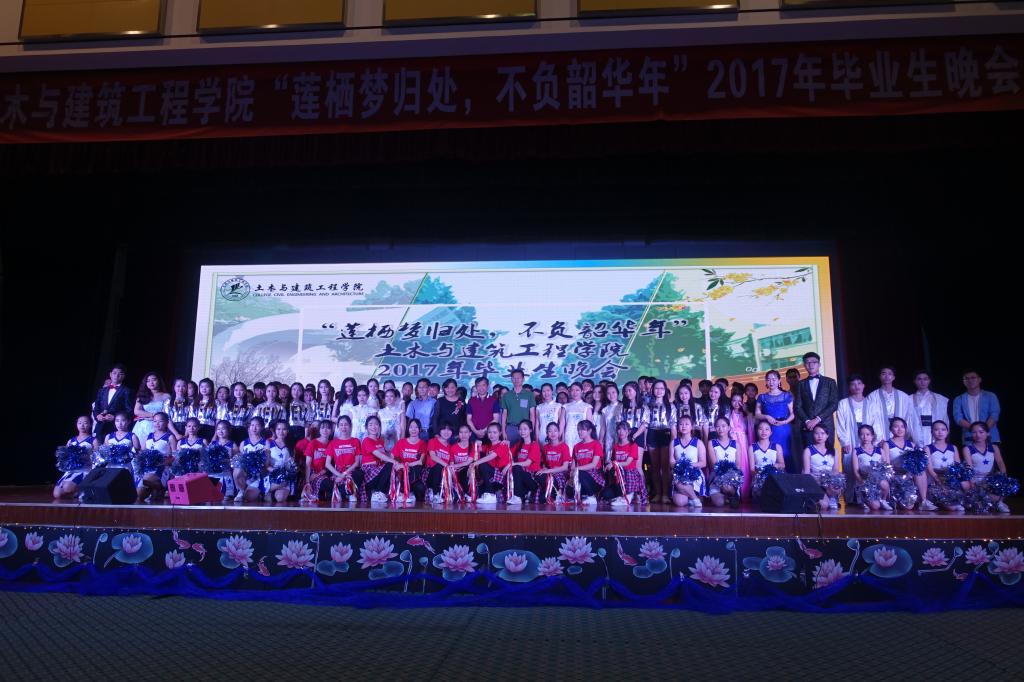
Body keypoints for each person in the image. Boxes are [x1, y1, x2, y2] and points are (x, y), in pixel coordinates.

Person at [835, 374, 880, 503]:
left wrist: (875, 441)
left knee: (867, 467)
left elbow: (876, 423)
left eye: (859, 383)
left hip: (868, 441)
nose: (856, 386)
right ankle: (850, 498)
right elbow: (840, 424)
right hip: (850, 439)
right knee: (849, 468)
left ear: (864, 386)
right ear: (849, 387)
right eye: (853, 384)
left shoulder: (871, 404)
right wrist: (844, 441)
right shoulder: (843, 403)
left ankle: (870, 497)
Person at [794, 352, 839, 454]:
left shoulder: (830, 382)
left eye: (814, 362)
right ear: (804, 365)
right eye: (807, 362)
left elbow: (834, 404)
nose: (811, 365)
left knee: (828, 455)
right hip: (808, 427)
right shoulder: (801, 384)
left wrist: (818, 419)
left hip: (826, 425)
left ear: (819, 364)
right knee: (809, 456)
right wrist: (807, 421)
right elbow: (798, 406)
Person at [755, 370, 796, 471]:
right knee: (771, 454)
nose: (771, 382)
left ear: (779, 381)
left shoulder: (786, 395)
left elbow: (792, 414)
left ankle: (787, 478)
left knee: (786, 453)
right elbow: (757, 414)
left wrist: (785, 422)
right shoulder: (762, 397)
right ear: (766, 381)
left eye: (774, 379)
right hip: (768, 430)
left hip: (783, 429)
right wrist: (766, 417)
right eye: (768, 380)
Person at [866, 366, 918, 443]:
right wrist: (878, 438)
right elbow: (870, 419)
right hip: (881, 437)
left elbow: (910, 418)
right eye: (884, 374)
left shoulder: (903, 396)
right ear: (879, 377)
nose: (887, 376)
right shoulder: (872, 397)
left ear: (893, 377)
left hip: (901, 436)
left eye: (890, 374)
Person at [646, 380, 677, 504]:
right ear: (652, 390)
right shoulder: (648, 405)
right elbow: (645, 424)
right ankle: (657, 493)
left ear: (665, 391)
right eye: (656, 388)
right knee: (654, 467)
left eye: (662, 388)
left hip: (665, 434)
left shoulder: (671, 406)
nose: (659, 391)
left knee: (665, 467)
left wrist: (674, 441)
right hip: (652, 433)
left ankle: (665, 494)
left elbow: (673, 425)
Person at [802, 424, 845, 511]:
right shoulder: (808, 450)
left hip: (829, 483)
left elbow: (835, 470)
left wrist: (834, 483)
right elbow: (806, 472)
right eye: (816, 433)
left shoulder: (833, 450)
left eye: (822, 433)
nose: (819, 436)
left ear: (827, 435)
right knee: (824, 505)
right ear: (813, 435)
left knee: (838, 482)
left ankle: (832, 497)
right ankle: (814, 500)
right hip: (815, 482)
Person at [953, 370, 1001, 445]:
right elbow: (958, 418)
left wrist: (983, 431)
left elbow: (994, 415)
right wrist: (974, 430)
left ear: (979, 379)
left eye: (973, 378)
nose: (970, 380)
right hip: (969, 438)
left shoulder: (990, 396)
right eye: (966, 378)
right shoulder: (959, 399)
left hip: (990, 437)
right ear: (963, 382)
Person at [54, 416, 96, 499]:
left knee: (67, 487)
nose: (82, 425)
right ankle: (77, 491)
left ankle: (84, 489)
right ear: (76, 425)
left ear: (90, 425)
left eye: (85, 423)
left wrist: (85, 458)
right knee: (57, 494)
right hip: (71, 470)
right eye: (79, 423)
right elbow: (65, 457)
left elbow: (97, 458)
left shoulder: (93, 440)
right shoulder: (71, 440)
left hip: (84, 470)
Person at [92, 363, 134, 441]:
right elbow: (96, 407)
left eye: (120, 374)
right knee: (98, 447)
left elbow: (129, 410)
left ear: (124, 376)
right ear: (110, 374)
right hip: (101, 426)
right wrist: (97, 416)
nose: (116, 376)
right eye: (114, 373)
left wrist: (115, 417)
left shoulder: (127, 391)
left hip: (117, 427)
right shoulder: (102, 391)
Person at [911, 370, 949, 446]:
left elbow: (944, 418)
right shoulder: (909, 399)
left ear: (929, 381)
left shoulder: (940, 399)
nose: (922, 382)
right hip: (916, 430)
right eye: (919, 379)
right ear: (915, 381)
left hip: (934, 430)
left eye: (925, 379)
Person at [500, 369, 537, 443]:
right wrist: (503, 431)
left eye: (518, 378)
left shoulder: (529, 395)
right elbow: (504, 414)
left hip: (525, 428)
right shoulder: (506, 395)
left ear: (523, 379)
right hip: (511, 428)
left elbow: (532, 414)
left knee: (525, 449)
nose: (516, 380)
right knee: (509, 449)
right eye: (514, 378)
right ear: (511, 379)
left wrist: (531, 430)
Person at [132, 372, 170, 443]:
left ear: (159, 381)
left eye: (154, 380)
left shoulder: (166, 396)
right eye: (148, 381)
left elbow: (165, 412)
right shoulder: (141, 396)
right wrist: (153, 415)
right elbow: (136, 411)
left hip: (158, 426)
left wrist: (154, 417)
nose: (151, 383)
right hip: (143, 426)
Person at [468, 376, 501, 443]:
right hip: (474, 433)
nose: (481, 388)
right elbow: (468, 419)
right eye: (478, 385)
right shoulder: (471, 400)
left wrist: (484, 430)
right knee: (475, 449)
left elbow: (496, 419)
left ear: (487, 386)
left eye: (483, 385)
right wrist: (476, 431)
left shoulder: (494, 400)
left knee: (489, 449)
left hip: (490, 434)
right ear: (476, 387)